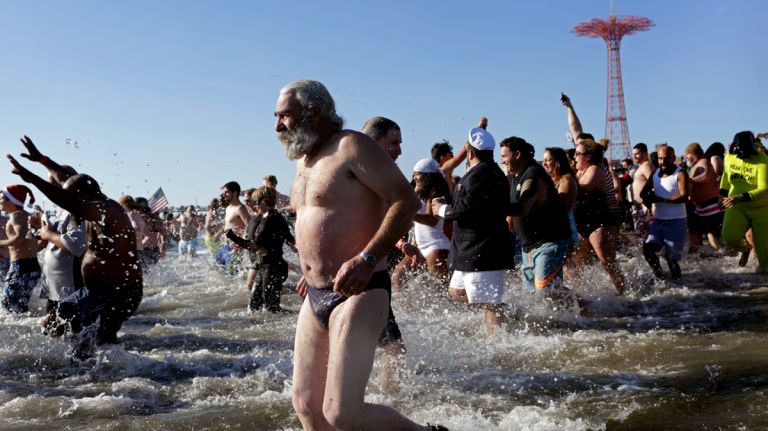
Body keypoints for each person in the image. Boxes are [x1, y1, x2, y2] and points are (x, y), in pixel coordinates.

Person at [275, 80, 443, 430]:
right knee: (306, 406)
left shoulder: (352, 146)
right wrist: (308, 273)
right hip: (315, 293)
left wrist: (367, 258)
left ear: (314, 112)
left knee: (341, 413)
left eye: (286, 116)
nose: (278, 126)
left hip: (360, 289)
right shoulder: (304, 162)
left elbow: (406, 201)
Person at [8, 142, 142, 353]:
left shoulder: (105, 211)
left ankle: (106, 378)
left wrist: (32, 178)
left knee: (88, 343)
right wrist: (43, 161)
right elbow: (67, 181)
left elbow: (68, 196)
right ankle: (98, 369)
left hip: (117, 292)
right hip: (94, 290)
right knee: (52, 323)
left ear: (84, 198)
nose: (67, 208)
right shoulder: (93, 201)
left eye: (71, 202)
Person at [432, 126, 515, 335]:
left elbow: (466, 208)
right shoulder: (483, 172)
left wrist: (442, 210)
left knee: (488, 302)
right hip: (470, 248)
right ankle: (501, 313)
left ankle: (499, 337)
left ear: (469, 153)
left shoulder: (483, 175)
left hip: (483, 248)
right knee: (457, 291)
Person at [502, 138, 575, 310]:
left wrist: (491, 208)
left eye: (504, 156)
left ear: (517, 154)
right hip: (529, 245)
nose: (502, 160)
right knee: (532, 294)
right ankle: (562, 317)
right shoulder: (517, 175)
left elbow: (523, 207)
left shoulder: (534, 175)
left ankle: (590, 309)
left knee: (545, 289)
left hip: (549, 241)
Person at [35, 163, 88, 337]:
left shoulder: (79, 210)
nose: (50, 191)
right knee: (53, 334)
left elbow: (76, 245)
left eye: (53, 185)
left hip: (70, 283)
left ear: (69, 184)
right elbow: (53, 236)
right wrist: (39, 230)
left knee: (74, 333)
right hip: (55, 285)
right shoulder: (61, 209)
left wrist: (48, 234)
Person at [572, 138, 628, 294]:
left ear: (588, 156)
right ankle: (588, 295)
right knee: (580, 265)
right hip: (582, 223)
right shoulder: (579, 171)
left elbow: (585, 189)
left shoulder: (595, 169)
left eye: (577, 154)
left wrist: (566, 183)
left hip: (600, 222)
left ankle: (626, 294)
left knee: (607, 262)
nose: (574, 157)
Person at [227, 186, 295, 312]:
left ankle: (293, 320)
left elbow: (254, 245)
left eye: (255, 202)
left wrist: (232, 237)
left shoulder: (270, 218)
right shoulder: (268, 217)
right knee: (254, 308)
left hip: (272, 268)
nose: (254, 205)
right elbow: (291, 239)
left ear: (264, 201)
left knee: (271, 309)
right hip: (265, 266)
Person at [392, 158, 451, 291]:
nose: (414, 177)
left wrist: (409, 214)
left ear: (426, 176)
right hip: (419, 246)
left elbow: (432, 220)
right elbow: (417, 225)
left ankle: (473, 310)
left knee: (444, 291)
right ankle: (403, 312)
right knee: (397, 278)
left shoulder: (437, 192)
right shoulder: (421, 192)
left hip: (436, 246)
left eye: (417, 174)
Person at [720, 131, 768, 273]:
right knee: (729, 238)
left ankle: (760, 289)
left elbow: (764, 188)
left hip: (761, 208)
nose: (743, 157)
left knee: (764, 257)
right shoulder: (729, 158)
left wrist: (740, 197)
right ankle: (746, 249)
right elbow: (726, 176)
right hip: (737, 206)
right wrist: (722, 193)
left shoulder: (762, 160)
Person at [639, 144, 689, 279]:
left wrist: (661, 199)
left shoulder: (680, 173)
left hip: (676, 221)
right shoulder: (655, 172)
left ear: (673, 158)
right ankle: (659, 275)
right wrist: (647, 198)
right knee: (648, 250)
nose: (662, 162)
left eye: (666, 159)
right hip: (659, 221)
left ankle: (679, 287)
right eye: (660, 158)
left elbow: (684, 197)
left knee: (671, 259)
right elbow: (643, 191)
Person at [0, 183, 41, 313]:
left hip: (21, 267)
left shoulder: (16, 215)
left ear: (11, 200)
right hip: (31, 266)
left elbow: (19, 238)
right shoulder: (27, 215)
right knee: (18, 308)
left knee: (9, 307)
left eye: (1, 198)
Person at [684, 142, 724, 254]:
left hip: (709, 205)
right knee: (694, 232)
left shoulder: (703, 161)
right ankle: (697, 258)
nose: (686, 158)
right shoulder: (695, 165)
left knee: (711, 234)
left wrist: (689, 180)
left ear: (694, 154)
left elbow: (706, 175)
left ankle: (720, 257)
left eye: (687, 156)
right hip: (699, 207)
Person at [214, 181, 251, 274]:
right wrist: (219, 232)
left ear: (235, 193)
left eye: (227, 192)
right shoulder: (228, 208)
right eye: (224, 193)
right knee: (217, 269)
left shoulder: (240, 208)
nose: (224, 195)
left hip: (234, 249)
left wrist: (241, 243)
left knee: (232, 275)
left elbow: (250, 226)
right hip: (225, 246)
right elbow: (228, 224)